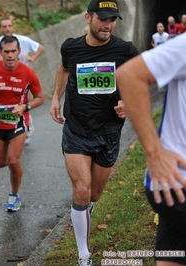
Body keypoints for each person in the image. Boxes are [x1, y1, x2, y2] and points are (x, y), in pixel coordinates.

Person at [49, 0, 138, 265]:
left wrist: (127, 102)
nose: (108, 25)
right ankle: (83, 255)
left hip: (108, 132)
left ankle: (84, 213)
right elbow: (64, 68)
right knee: (82, 191)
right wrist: (56, 97)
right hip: (76, 130)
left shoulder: (125, 51)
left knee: (94, 195)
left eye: (113, 20)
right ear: (88, 18)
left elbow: (140, 79)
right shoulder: (71, 47)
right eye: (103, 19)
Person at [117, 34, 186, 266]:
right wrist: (154, 153)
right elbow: (129, 75)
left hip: (170, 186)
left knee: (171, 259)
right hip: (177, 182)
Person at [0, 35, 44, 212]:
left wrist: (25, 106)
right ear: (0, 52)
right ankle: (13, 173)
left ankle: (14, 195)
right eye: (6, 52)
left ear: (19, 52)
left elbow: (40, 98)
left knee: (13, 160)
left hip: (19, 124)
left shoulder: (28, 72)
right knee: (1, 162)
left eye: (13, 51)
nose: (9, 55)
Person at [0, 17, 45, 144]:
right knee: (7, 105)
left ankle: (25, 129)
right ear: (0, 28)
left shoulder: (23, 40)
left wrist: (32, 58)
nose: (7, 28)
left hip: (23, 78)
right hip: (4, 78)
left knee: (22, 103)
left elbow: (40, 48)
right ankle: (10, 132)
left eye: (9, 25)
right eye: (4, 26)